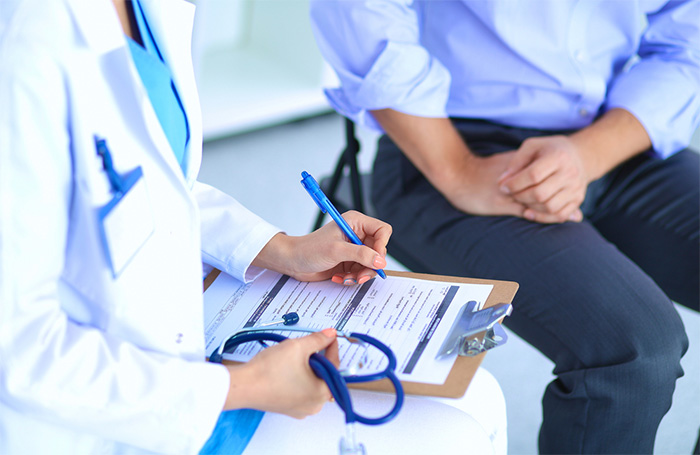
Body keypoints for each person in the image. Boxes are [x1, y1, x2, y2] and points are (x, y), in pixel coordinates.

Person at [0, 0, 506, 454]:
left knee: (481, 395)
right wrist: (242, 388)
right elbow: (18, 356)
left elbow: (154, 183)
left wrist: (282, 248)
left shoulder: (149, 10)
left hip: (180, 350)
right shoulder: (25, 45)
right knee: (456, 437)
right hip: (108, 417)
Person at [310, 0, 700, 453]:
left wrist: (588, 155)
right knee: (635, 349)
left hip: (616, 131)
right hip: (454, 142)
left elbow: (688, 33)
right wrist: (455, 170)